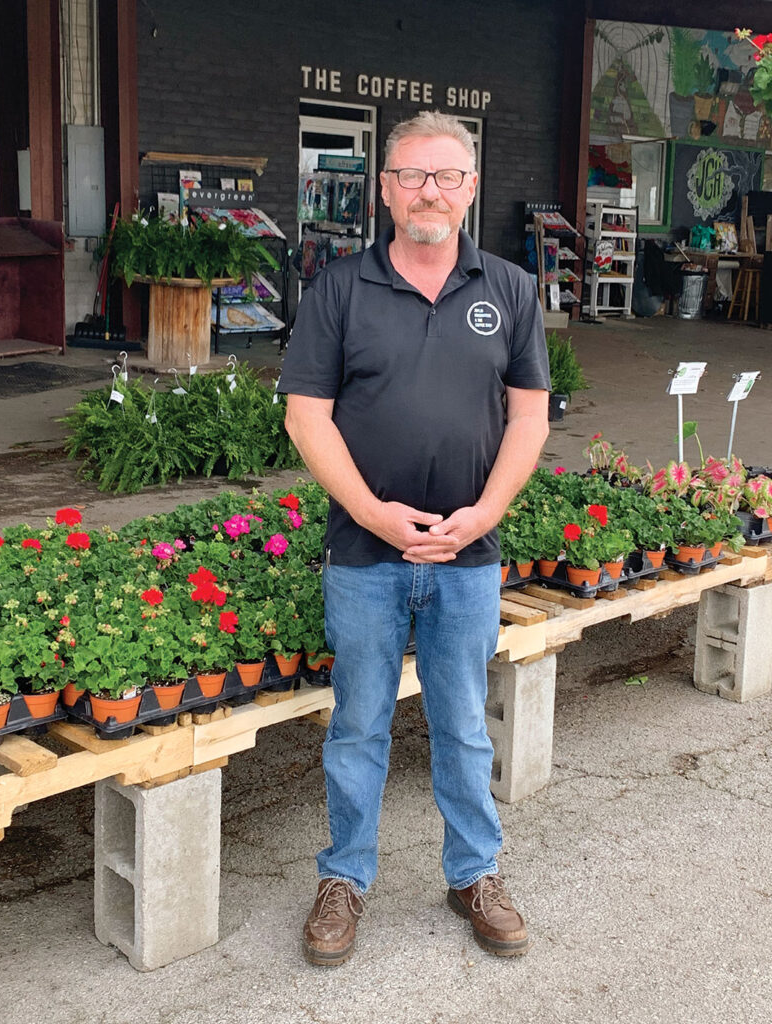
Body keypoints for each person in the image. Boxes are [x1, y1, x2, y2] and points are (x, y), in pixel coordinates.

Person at [278, 110, 551, 966]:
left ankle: (476, 872)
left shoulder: (509, 289)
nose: (430, 190)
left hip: (468, 558)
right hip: (366, 556)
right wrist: (369, 512)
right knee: (358, 722)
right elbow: (306, 416)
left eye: (447, 176)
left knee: (464, 722)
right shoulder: (338, 290)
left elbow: (530, 416)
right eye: (413, 176)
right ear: (385, 189)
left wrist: (488, 512)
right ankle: (345, 880)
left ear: (471, 187)